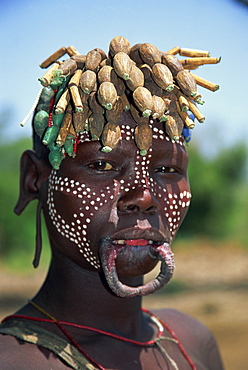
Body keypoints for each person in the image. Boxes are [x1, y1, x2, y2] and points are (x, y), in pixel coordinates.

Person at [0, 36, 224, 369]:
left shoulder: (192, 341)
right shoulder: (14, 360)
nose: (144, 197)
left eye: (166, 169)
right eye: (102, 165)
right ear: (34, 179)